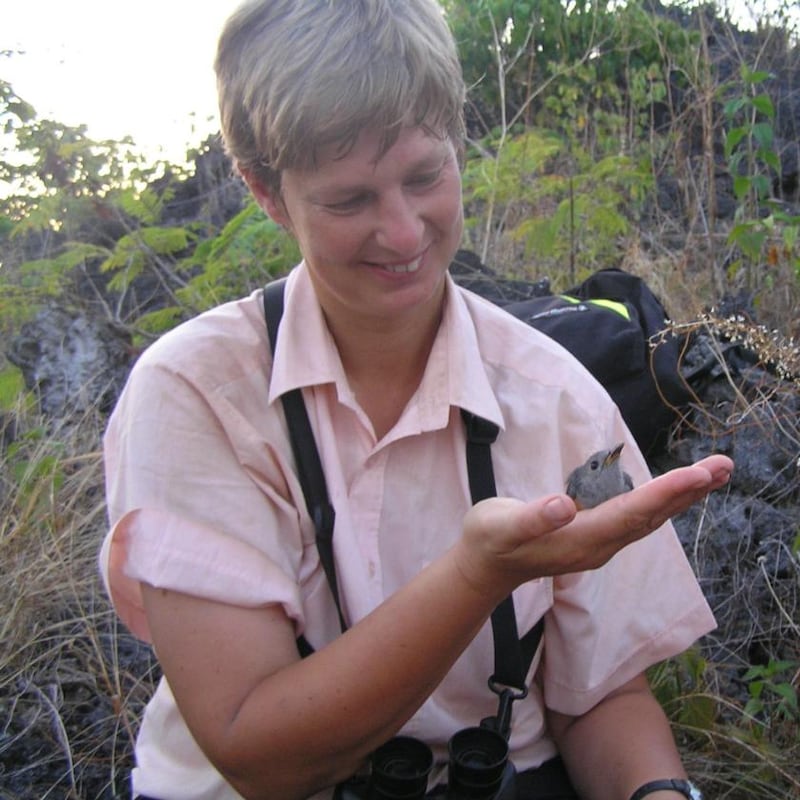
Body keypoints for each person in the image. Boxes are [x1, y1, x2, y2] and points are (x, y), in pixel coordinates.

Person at [99, 1, 733, 799]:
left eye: (426, 176)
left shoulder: (555, 395)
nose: (403, 234)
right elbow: (258, 754)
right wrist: (478, 575)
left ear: (458, 143)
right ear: (265, 190)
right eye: (349, 200)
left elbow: (600, 695)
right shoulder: (196, 395)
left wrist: (661, 795)